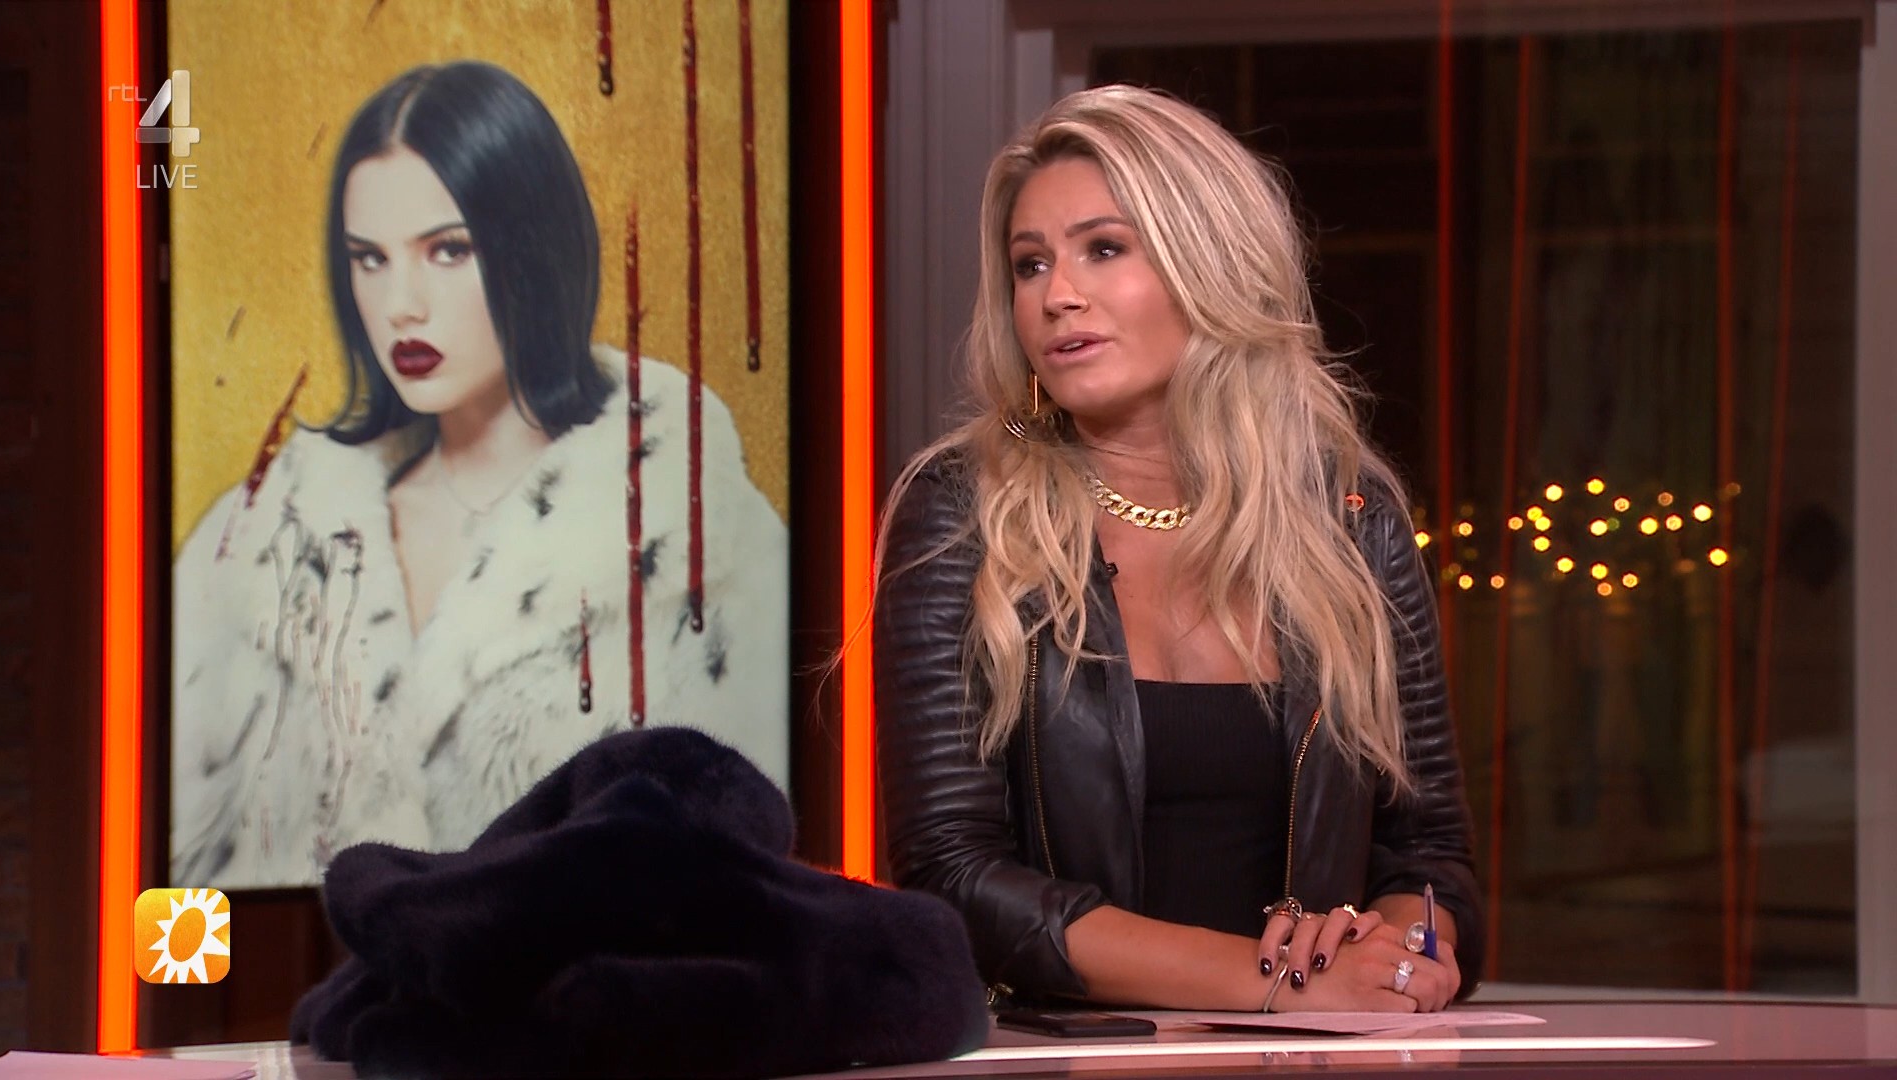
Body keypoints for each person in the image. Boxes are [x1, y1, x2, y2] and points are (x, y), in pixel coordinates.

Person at [875, 85, 1482, 1014]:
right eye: (1030, 264)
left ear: (1211, 260)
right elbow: (951, 874)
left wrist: (1401, 955)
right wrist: (1275, 982)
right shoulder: (964, 511)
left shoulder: (1351, 518)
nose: (1057, 295)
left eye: (1104, 249)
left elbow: (1430, 856)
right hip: (1071, 1064)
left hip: (1318, 1061)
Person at [172, 61, 787, 889]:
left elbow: (750, 877)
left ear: (534, 251)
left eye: (448, 250)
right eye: (369, 259)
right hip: (310, 973)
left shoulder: (696, 538)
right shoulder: (270, 545)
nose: (401, 304)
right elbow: (186, 880)